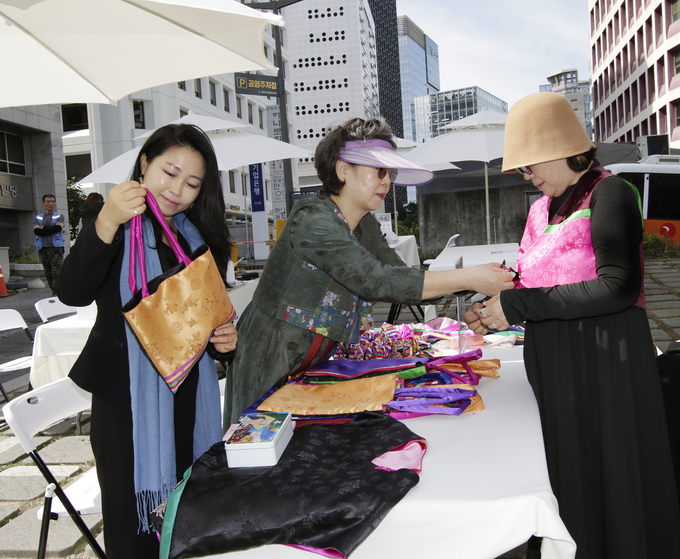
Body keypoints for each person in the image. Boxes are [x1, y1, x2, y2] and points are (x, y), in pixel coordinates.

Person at [465, 92, 680, 558]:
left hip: (607, 361)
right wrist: (493, 303)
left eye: (529, 165)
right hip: (554, 359)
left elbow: (619, 286)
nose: (528, 176)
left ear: (559, 145)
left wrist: (520, 304)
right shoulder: (541, 209)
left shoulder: (611, 193)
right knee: (568, 475)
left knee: (611, 474)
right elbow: (534, 279)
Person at [223, 117, 514, 426]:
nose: (388, 181)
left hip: (314, 356)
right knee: (257, 439)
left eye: (390, 172)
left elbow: (401, 275)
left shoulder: (363, 223)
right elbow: (376, 280)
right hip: (270, 350)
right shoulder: (312, 220)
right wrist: (470, 276)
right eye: (379, 171)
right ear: (343, 169)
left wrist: (472, 297)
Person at [57, 124, 238, 557]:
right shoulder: (111, 218)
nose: (177, 190)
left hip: (187, 398)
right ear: (144, 164)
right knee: (131, 528)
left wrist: (223, 339)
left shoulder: (195, 239)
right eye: (169, 172)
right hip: (125, 403)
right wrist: (104, 222)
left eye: (192, 183)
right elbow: (72, 291)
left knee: (186, 516)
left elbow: (202, 320)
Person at [34, 193, 65, 295]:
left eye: (53, 201)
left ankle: (57, 294)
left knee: (57, 273)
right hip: (43, 248)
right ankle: (54, 292)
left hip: (56, 248)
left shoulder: (59, 216)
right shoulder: (38, 217)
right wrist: (51, 229)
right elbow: (36, 231)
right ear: (43, 203)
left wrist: (43, 227)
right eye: (48, 201)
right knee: (48, 274)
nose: (51, 204)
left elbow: (57, 228)